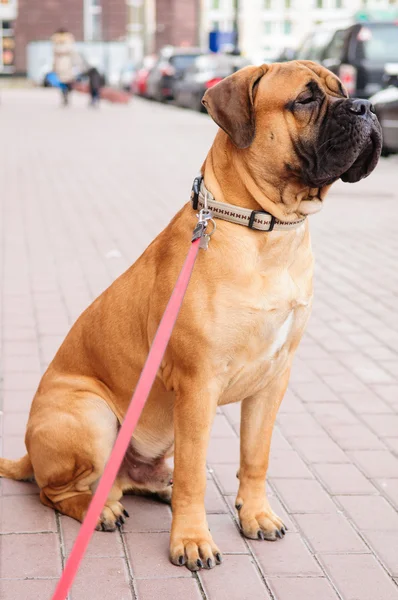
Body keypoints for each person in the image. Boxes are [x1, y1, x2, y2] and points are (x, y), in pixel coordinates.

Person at [51, 28, 77, 106]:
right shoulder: (59, 41)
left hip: (65, 64)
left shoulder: (63, 41)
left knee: (66, 81)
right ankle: (65, 95)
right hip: (63, 64)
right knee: (64, 81)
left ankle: (65, 94)